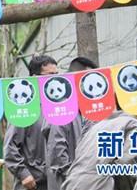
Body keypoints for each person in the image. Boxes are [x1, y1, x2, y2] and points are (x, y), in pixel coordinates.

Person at [41, 57, 98, 190]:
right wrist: (74, 178)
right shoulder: (62, 109)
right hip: (68, 183)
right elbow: (57, 151)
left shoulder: (88, 109)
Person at [4, 55, 58, 190]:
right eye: (50, 75)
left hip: (55, 181)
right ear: (35, 77)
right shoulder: (24, 108)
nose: (55, 79)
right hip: (32, 183)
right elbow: (10, 147)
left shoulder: (58, 106)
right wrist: (24, 174)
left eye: (57, 74)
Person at [61, 107, 137, 190]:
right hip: (98, 184)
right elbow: (125, 165)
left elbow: (78, 155)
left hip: (71, 183)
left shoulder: (96, 126)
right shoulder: (134, 124)